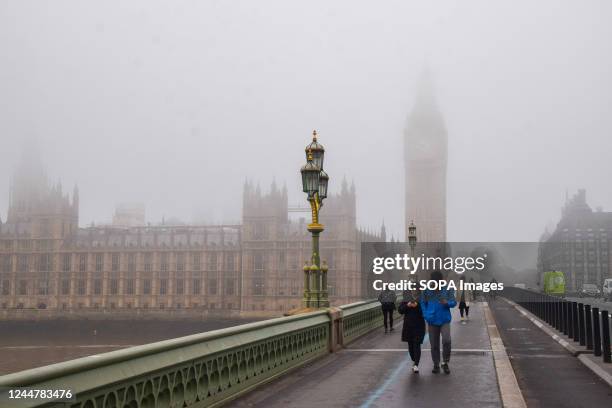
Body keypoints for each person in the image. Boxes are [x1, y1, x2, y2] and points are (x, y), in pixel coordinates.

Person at [421, 270, 456, 374]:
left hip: (444, 319)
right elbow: (423, 302)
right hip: (432, 320)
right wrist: (426, 315)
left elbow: (454, 302)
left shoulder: (448, 288)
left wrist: (447, 303)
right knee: (434, 344)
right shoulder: (427, 290)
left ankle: (445, 363)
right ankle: (436, 364)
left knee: (446, 340)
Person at [398, 288, 426, 373]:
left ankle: (416, 364)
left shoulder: (422, 299)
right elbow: (400, 310)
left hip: (419, 326)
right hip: (408, 326)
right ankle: (414, 360)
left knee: (416, 344)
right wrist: (408, 305)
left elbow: (425, 311)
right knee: (410, 346)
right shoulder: (406, 299)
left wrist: (417, 306)